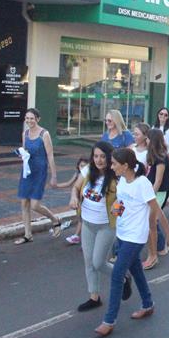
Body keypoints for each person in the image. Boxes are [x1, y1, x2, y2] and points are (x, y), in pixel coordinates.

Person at [94, 148, 169, 337]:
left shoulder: (142, 184)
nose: (111, 166)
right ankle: (148, 304)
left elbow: (157, 211)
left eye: (114, 163)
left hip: (136, 237)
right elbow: (120, 203)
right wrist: (113, 219)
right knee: (137, 271)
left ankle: (109, 320)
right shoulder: (122, 180)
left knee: (117, 275)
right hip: (122, 234)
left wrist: (168, 235)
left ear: (125, 166)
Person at [68, 141, 120, 312]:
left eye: (103, 157)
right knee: (88, 262)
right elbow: (75, 187)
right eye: (96, 156)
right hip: (88, 224)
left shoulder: (115, 175)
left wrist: (117, 211)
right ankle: (94, 297)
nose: (99, 160)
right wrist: (74, 198)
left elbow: (124, 200)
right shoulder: (88, 170)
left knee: (98, 263)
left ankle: (122, 277)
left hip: (106, 226)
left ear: (109, 157)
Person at [15, 108, 63, 245]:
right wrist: (21, 154)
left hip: (40, 171)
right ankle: (27, 234)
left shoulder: (44, 134)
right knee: (24, 203)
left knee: (35, 205)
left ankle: (55, 219)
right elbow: (24, 150)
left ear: (37, 119)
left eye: (32, 118)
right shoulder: (25, 133)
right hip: (27, 171)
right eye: (27, 118)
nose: (29, 121)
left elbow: (50, 155)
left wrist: (54, 175)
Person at [142, 128, 169, 269]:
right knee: (152, 222)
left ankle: (154, 253)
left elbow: (158, 180)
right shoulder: (152, 156)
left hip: (158, 193)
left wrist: (150, 196)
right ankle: (158, 248)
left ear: (152, 140)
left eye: (148, 138)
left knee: (151, 222)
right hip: (152, 192)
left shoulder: (161, 158)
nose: (146, 140)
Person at [59, 157, 91, 245]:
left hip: (85, 199)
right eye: (81, 166)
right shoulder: (78, 174)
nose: (83, 168)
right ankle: (80, 236)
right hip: (78, 198)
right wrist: (57, 186)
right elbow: (69, 184)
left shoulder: (90, 175)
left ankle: (77, 235)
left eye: (85, 166)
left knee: (82, 218)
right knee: (80, 217)